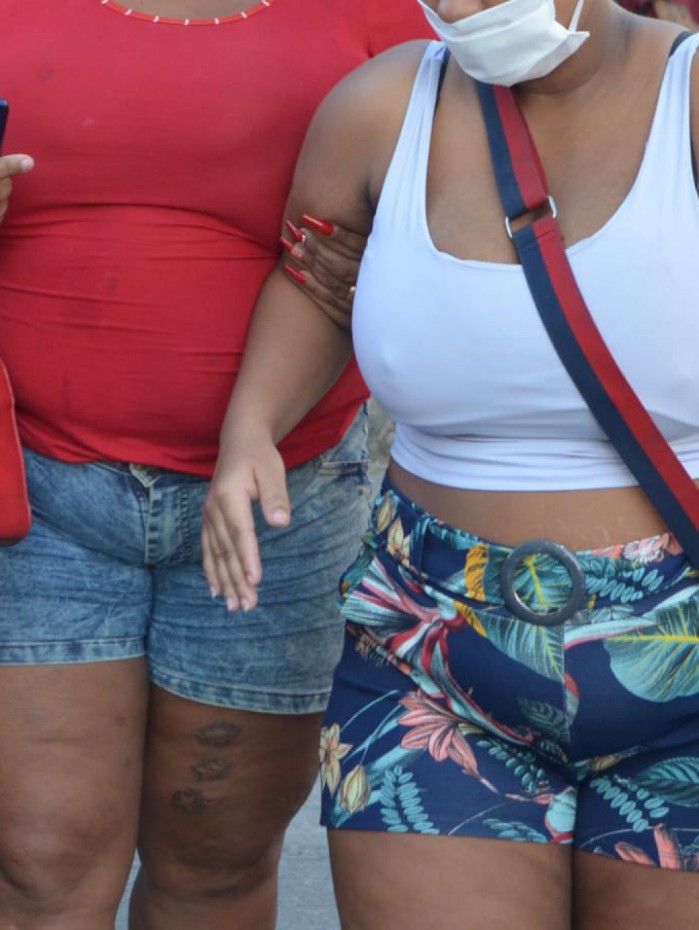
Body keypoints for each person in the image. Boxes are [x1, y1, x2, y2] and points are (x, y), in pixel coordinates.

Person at [203, 0, 699, 926]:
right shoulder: (382, 107)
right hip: (428, 646)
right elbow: (318, 284)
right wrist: (250, 430)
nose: (467, 9)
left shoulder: (688, 96)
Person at [0, 2, 432, 928]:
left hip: (281, 503)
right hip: (34, 496)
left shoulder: (392, 16)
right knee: (40, 868)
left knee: (217, 864)